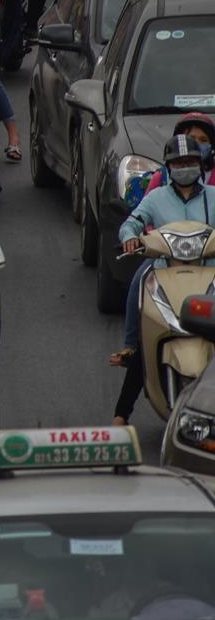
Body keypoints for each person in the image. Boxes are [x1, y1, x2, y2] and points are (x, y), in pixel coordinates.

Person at [112, 134, 215, 423]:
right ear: (169, 167)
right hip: (164, 270)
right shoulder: (155, 198)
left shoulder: (213, 196)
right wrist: (131, 238)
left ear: (201, 164)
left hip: (209, 272)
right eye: (179, 163)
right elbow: (133, 222)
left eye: (191, 162)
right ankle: (122, 411)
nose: (185, 167)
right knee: (149, 327)